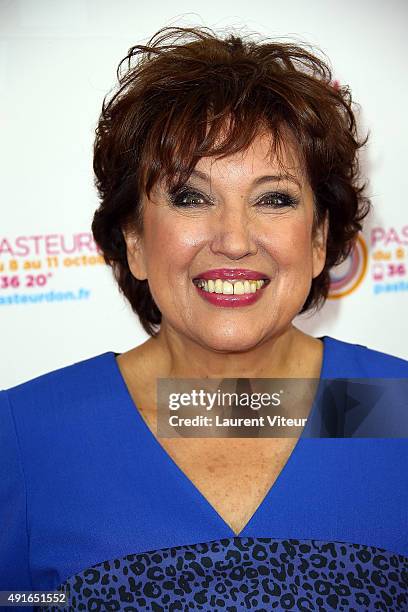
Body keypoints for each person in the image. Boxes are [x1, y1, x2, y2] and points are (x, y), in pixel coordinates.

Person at [1, 25, 407, 611]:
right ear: (134, 239)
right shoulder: (26, 436)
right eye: (190, 197)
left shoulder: (391, 409)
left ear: (319, 239)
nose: (235, 240)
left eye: (275, 199)